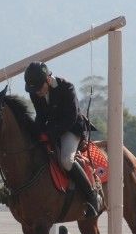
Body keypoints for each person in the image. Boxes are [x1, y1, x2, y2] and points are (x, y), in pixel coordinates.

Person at [24, 61, 102, 218]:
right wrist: (35, 132)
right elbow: (40, 115)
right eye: (34, 89)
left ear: (48, 79)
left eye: (39, 88)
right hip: (52, 129)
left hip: (71, 129)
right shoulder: (35, 92)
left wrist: (51, 133)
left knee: (66, 160)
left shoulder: (67, 87)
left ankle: (92, 197)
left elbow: (71, 117)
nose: (37, 92)